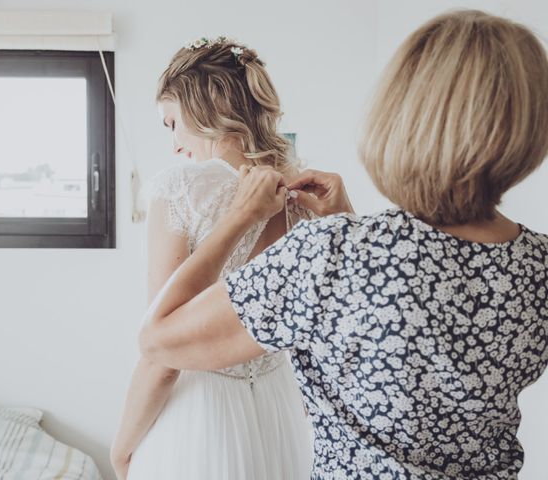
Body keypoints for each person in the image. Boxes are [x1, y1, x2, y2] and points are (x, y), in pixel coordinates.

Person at [140, 10, 548, 479]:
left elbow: (159, 339)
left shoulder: (332, 253)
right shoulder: (539, 265)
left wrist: (248, 220)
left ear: (398, 117)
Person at [111, 37, 313, 480]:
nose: (174, 143)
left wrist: (122, 448)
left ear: (204, 108)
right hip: (280, 407)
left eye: (171, 123)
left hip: (202, 413)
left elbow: (164, 354)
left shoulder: (181, 187)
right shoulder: (300, 195)